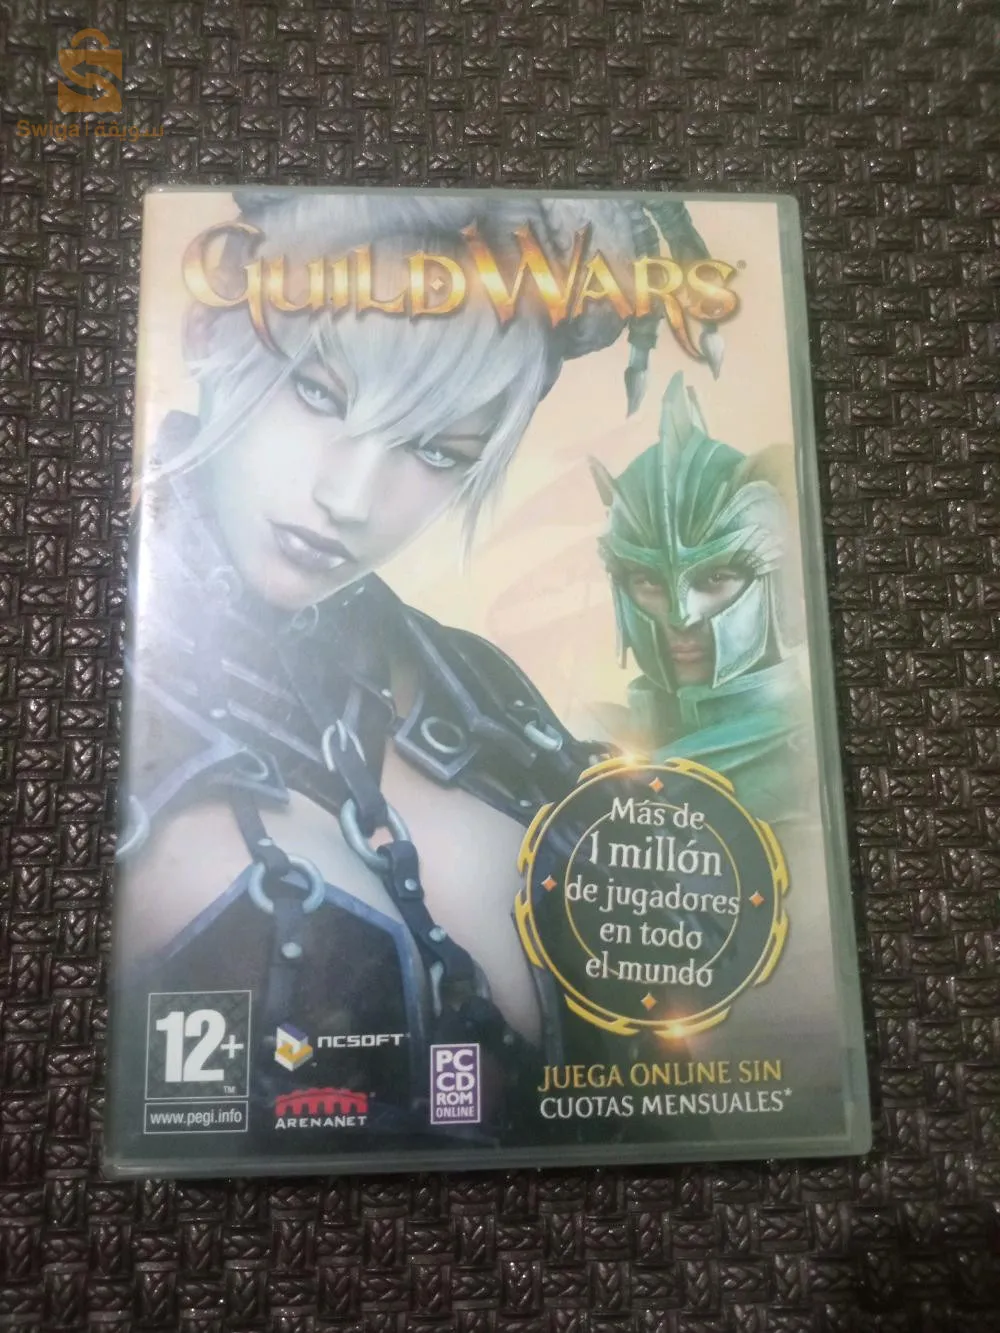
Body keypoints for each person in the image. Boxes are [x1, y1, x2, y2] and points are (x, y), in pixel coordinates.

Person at [111, 190, 721, 1147]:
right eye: (319, 393)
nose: (350, 499)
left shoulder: (474, 684)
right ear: (208, 333)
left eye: (437, 449)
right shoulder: (87, 670)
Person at [591, 371, 807, 824]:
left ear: (772, 579)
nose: (680, 616)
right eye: (649, 581)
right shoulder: (592, 736)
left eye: (715, 577)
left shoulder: (808, 752)